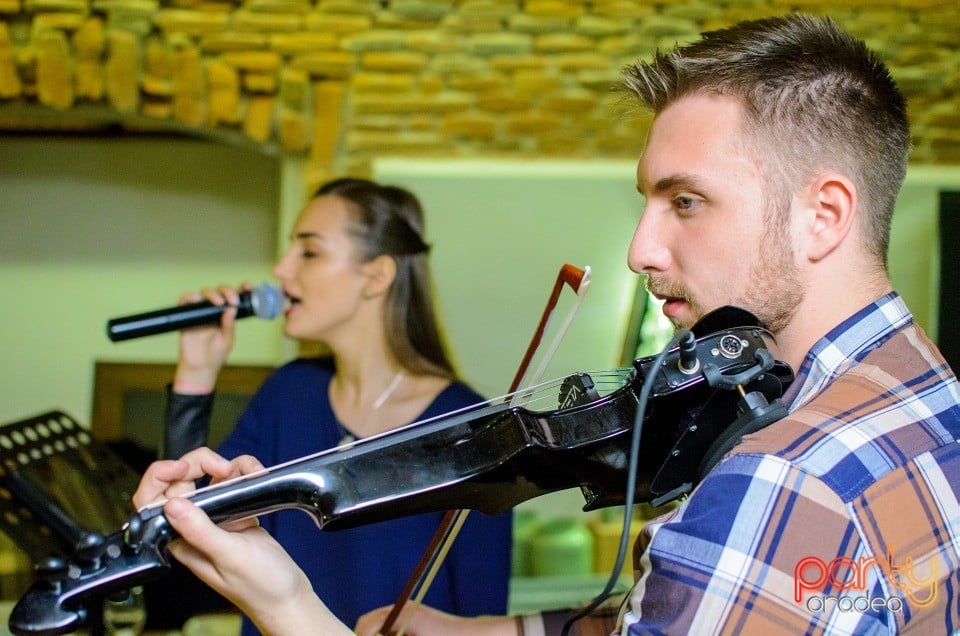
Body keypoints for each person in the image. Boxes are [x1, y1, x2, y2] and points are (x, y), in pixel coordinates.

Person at [133, 14, 960, 636]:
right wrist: (491, 632)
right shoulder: (930, 395)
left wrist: (284, 602)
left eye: (686, 201)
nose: (642, 248)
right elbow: (676, 609)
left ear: (824, 215)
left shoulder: (778, 481)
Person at [153, 177, 512, 632]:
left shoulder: (472, 428)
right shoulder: (287, 393)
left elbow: (483, 615)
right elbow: (185, 524)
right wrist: (197, 373)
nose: (281, 271)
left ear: (377, 276)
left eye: (309, 252)